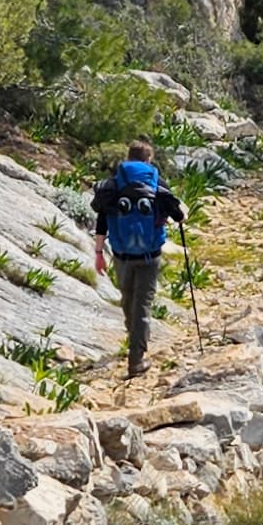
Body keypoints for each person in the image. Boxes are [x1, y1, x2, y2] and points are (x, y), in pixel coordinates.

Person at [91, 147, 187, 375]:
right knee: (143, 305)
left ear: (127, 158)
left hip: (121, 255)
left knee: (127, 299)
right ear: (149, 159)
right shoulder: (157, 184)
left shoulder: (113, 186)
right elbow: (179, 215)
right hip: (150, 256)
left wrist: (98, 253)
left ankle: (133, 337)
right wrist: (183, 212)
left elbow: (102, 220)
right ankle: (136, 359)